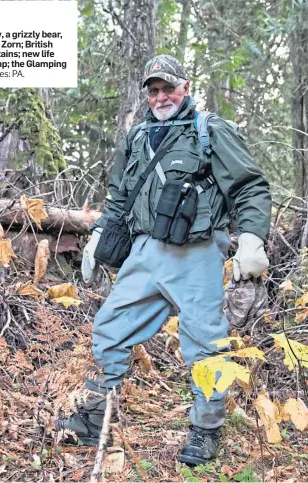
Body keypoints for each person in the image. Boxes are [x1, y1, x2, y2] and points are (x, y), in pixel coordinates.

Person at [55, 54, 271, 466]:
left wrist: (252, 239)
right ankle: (97, 414)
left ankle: (206, 429)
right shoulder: (137, 137)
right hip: (145, 251)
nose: (160, 96)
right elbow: (119, 194)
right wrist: (99, 233)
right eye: (153, 91)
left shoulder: (210, 131)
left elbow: (250, 187)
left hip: (198, 253)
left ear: (185, 87)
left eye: (168, 88)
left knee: (206, 345)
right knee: (110, 328)